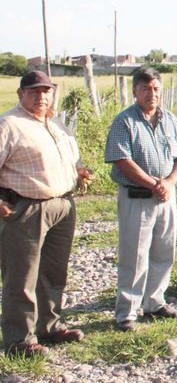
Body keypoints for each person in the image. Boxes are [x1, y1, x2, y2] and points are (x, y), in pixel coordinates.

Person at [0, 71, 91, 357]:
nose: (41, 96)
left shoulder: (55, 123)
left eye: (46, 91)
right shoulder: (10, 125)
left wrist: (78, 171)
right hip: (26, 208)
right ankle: (19, 341)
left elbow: (70, 158)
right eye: (34, 91)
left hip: (62, 205)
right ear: (21, 94)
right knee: (21, 276)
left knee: (52, 273)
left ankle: (49, 326)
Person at [105, 67, 177, 331]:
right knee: (135, 254)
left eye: (155, 89)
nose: (151, 94)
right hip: (138, 196)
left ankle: (154, 302)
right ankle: (126, 312)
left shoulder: (170, 120)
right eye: (145, 89)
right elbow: (122, 160)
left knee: (164, 250)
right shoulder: (124, 121)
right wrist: (153, 184)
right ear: (135, 92)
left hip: (166, 195)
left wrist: (169, 183)